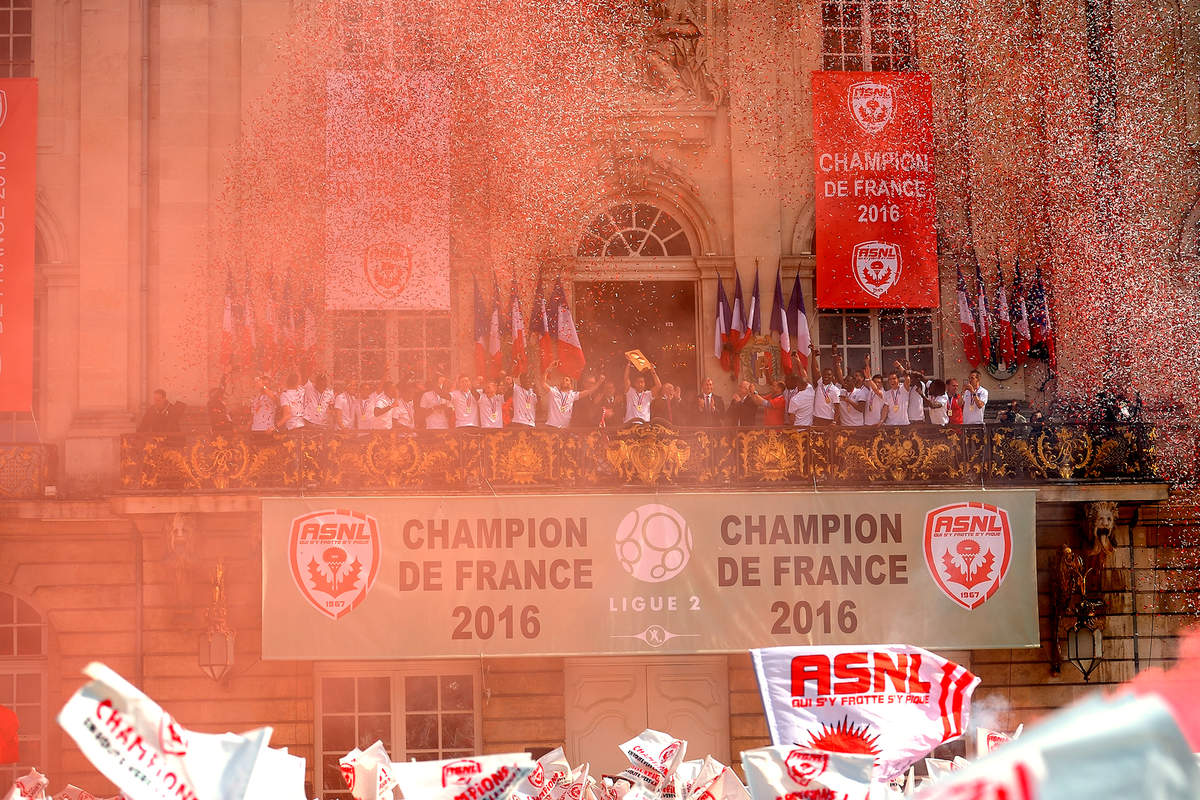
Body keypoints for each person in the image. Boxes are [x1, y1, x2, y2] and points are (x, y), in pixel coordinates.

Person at [540, 361, 603, 429]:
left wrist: (599, 382)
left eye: (567, 380)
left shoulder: (573, 395)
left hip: (565, 427)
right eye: (563, 380)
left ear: (570, 384)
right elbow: (543, 383)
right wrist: (549, 369)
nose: (564, 381)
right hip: (552, 426)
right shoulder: (554, 391)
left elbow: (589, 391)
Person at [810, 347, 842, 426]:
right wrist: (813, 355)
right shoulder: (820, 382)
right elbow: (815, 369)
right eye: (824, 374)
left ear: (832, 377)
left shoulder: (835, 390)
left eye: (829, 374)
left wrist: (834, 422)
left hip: (829, 420)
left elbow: (837, 408)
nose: (826, 376)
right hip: (817, 418)